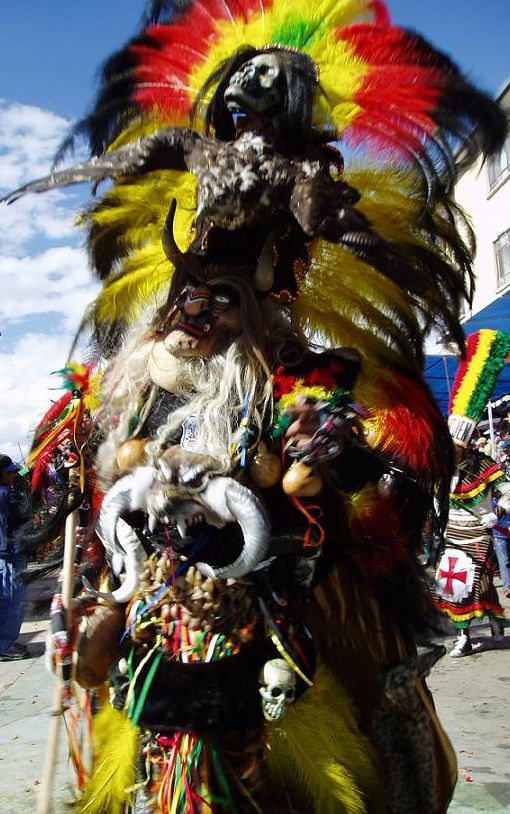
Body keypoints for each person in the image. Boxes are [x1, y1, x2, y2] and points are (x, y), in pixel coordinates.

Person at [4, 1, 507, 811]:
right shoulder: (145, 382)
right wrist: (80, 471)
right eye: (187, 296)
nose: (197, 316)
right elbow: (104, 484)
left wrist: (324, 452)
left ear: (263, 297)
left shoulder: (301, 375)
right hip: (160, 608)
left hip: (276, 611)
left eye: (221, 300)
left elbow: (342, 478)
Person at [0, 454, 30, 660]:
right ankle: (5, 644)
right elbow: (26, 513)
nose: (13, 476)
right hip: (10, 553)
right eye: (9, 473)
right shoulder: (9, 495)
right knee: (14, 601)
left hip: (5, 553)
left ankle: (6, 640)